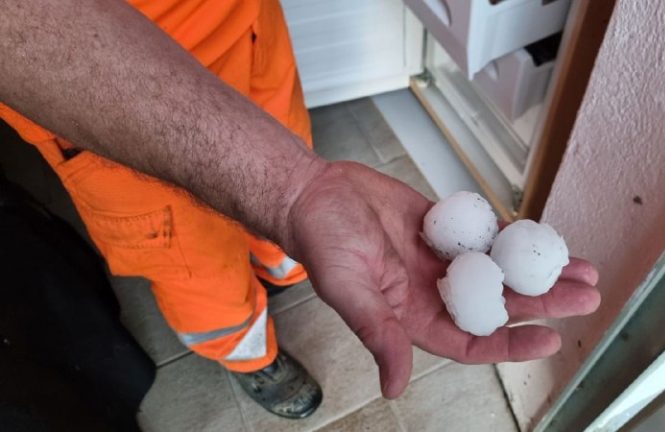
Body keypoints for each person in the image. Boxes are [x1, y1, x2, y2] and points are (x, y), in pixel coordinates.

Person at [0, 0, 601, 421]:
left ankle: (283, 267)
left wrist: (290, 194)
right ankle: (246, 353)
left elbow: (293, 186)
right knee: (192, 264)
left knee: (295, 193)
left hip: (245, 31)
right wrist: (289, 194)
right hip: (97, 91)